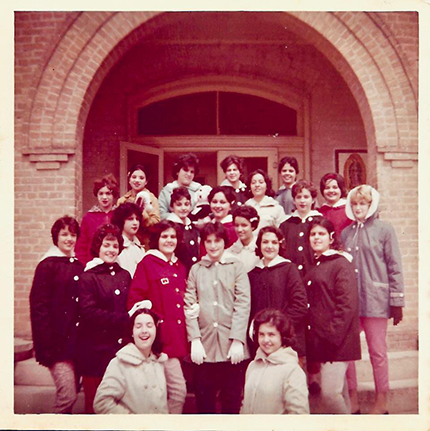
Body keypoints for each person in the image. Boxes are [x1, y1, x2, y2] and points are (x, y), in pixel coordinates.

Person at [341, 185, 405, 414]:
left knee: (377, 352)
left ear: (371, 205)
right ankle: (352, 398)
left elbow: (395, 266)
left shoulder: (384, 230)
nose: (358, 208)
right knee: (347, 353)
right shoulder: (346, 233)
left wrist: (396, 301)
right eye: (355, 204)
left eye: (363, 204)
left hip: (376, 301)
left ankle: (382, 400)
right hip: (351, 302)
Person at [184, 222, 251, 414]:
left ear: (225, 242)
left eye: (217, 241)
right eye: (209, 241)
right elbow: (189, 304)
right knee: (204, 402)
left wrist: (238, 339)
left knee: (231, 400)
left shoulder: (236, 267)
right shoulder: (197, 269)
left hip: (231, 346)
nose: (213, 246)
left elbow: (242, 303)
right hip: (204, 347)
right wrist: (195, 339)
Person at [127, 220, 188, 412]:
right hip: (159, 342)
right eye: (165, 236)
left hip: (177, 340)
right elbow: (135, 299)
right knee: (177, 391)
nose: (169, 240)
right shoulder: (148, 263)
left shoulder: (179, 266)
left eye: (173, 236)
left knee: (168, 394)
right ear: (157, 239)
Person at [305, 218, 361, 414]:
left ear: (330, 237)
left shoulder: (339, 263)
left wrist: (332, 336)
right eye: (313, 234)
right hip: (324, 340)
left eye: (321, 234)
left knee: (329, 395)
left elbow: (347, 305)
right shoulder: (318, 264)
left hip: (337, 341)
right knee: (340, 393)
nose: (316, 237)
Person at [29, 216, 83, 414]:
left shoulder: (78, 265)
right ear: (56, 237)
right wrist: (46, 344)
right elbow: (39, 308)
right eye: (64, 234)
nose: (69, 238)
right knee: (67, 395)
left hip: (75, 344)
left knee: (71, 393)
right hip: (56, 344)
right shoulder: (47, 266)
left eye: (73, 234)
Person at [76, 223, 131, 414]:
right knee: (95, 404)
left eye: (115, 246)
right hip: (94, 351)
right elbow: (89, 313)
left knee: (119, 403)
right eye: (106, 245)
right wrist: (124, 319)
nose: (111, 250)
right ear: (98, 247)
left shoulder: (125, 275)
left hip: (119, 350)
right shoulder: (88, 277)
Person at [93, 308, 185, 414]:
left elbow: (176, 395)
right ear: (132, 332)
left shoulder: (161, 361)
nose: (144, 330)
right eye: (138, 326)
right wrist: (135, 422)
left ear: (156, 330)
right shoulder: (119, 363)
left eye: (149, 325)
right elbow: (101, 403)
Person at [248, 227, 308, 360]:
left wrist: (279, 329)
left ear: (280, 245)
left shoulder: (289, 269)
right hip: (261, 344)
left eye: (274, 243)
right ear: (259, 244)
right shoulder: (252, 274)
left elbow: (300, 306)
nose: (269, 246)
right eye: (265, 242)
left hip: (286, 341)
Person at [240, 309, 309, 414]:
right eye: (261, 334)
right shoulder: (252, 366)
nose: (265, 340)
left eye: (271, 334)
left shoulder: (292, 371)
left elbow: (299, 416)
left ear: (283, 336)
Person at [279, 180, 322, 278]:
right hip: (292, 276)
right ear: (294, 200)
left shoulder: (320, 222)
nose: (302, 201)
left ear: (313, 200)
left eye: (306, 197)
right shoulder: (286, 225)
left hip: (314, 275)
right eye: (298, 197)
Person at [75, 174, 119, 264]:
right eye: (101, 193)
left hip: (116, 260)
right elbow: (82, 245)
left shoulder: (119, 214)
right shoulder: (89, 217)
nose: (104, 197)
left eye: (108, 193)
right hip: (93, 261)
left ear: (113, 195)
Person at [117, 164, 161, 247]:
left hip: (145, 243)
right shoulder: (122, 200)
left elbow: (156, 223)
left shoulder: (151, 199)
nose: (137, 180)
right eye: (134, 177)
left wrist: (142, 214)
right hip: (126, 243)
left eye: (141, 178)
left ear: (146, 181)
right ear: (129, 179)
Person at [166, 187, 200, 274]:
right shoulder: (169, 227)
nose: (183, 208)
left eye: (186, 204)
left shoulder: (193, 228)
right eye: (179, 204)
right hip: (177, 273)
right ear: (172, 206)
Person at [159, 153, 202, 219]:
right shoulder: (166, 191)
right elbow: (161, 215)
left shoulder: (200, 191)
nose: (189, 174)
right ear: (177, 171)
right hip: (172, 227)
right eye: (185, 170)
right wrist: (179, 217)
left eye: (192, 172)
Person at [111, 202, 145, 277]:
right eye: (130, 219)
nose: (135, 223)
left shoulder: (140, 248)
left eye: (137, 219)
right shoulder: (116, 247)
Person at [225, 205, 260, 273]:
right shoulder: (230, 252)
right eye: (236, 225)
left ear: (253, 226)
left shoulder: (261, 249)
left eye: (244, 225)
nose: (239, 229)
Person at [318, 172, 352, 237]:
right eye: (327, 188)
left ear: (341, 189)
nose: (331, 191)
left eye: (335, 187)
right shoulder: (319, 212)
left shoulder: (348, 210)